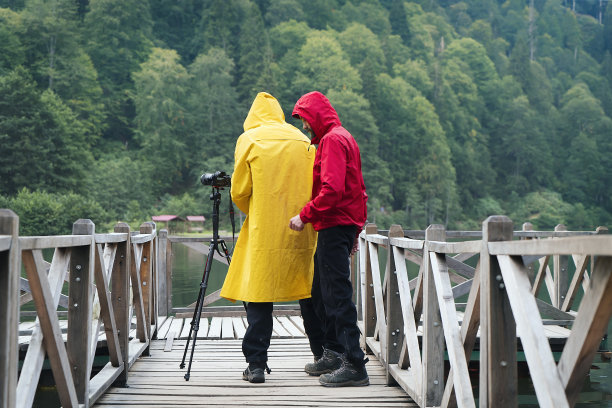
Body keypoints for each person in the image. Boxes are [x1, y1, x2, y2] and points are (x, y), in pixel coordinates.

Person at [220, 92, 317, 384]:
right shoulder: (302, 140)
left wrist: (258, 210)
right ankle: (322, 354)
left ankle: (256, 364)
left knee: (259, 293)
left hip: (264, 229)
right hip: (303, 225)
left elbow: (239, 191)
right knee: (309, 291)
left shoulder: (248, 140)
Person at [289, 91, 369, 387]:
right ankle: (334, 353)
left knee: (336, 296)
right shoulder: (341, 136)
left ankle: (354, 364)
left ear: (316, 116)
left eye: (305, 120)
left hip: (335, 224)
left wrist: (304, 214)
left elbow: (333, 189)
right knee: (320, 292)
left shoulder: (333, 140)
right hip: (340, 225)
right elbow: (359, 188)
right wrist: (357, 230)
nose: (304, 127)